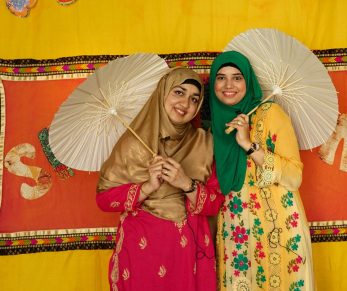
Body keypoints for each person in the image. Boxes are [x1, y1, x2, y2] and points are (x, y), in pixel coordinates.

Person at [96, 67, 223, 291]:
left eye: (194, 98)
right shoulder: (132, 144)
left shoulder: (206, 143)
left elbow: (215, 204)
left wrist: (187, 184)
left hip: (189, 253)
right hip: (142, 251)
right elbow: (103, 199)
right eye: (179, 92)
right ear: (162, 93)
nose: (185, 103)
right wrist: (146, 187)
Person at [211, 51, 315, 291]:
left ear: (248, 81)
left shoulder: (270, 113)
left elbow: (294, 175)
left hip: (275, 230)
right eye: (221, 77)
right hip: (233, 230)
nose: (228, 85)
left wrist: (248, 144)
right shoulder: (212, 124)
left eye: (237, 77)